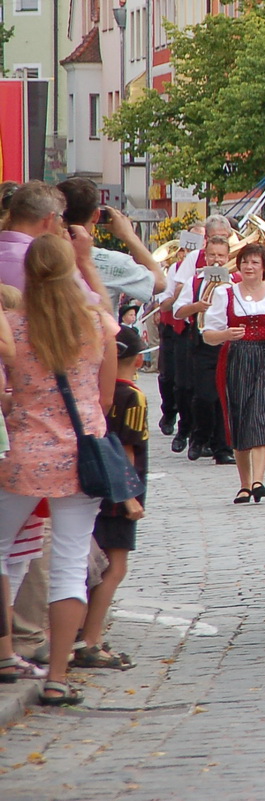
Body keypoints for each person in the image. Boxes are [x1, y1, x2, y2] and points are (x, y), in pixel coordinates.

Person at [0, 234, 116, 705]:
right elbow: (105, 397)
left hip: (25, 454)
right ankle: (59, 678)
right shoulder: (92, 324)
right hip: (81, 457)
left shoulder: (13, 325)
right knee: (70, 565)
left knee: (1, 549)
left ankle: (5, 650)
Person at [75, 324, 148, 671]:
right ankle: (91, 639)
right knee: (114, 569)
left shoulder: (92, 392)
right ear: (137, 359)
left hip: (91, 483)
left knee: (91, 563)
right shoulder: (132, 396)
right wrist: (128, 496)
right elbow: (128, 450)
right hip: (118, 492)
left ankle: (83, 632)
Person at [203, 242, 265, 504]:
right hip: (236, 359)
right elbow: (208, 335)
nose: (249, 266)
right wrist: (225, 334)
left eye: (255, 262)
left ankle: (258, 480)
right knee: (240, 418)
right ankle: (245, 484)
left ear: (264, 267)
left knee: (263, 415)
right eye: (245, 261)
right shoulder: (225, 294)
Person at [174, 232, 236, 466]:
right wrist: (197, 306)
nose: (216, 261)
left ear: (228, 256)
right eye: (212, 255)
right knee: (204, 395)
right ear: (205, 256)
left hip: (227, 342)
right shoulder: (195, 281)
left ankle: (223, 447)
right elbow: (179, 312)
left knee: (224, 396)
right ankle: (200, 437)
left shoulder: (235, 281)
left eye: (221, 256)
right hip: (202, 342)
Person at [56, 179, 164, 312]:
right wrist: (129, 236)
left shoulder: (36, 253)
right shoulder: (115, 261)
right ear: (96, 215)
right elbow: (159, 283)